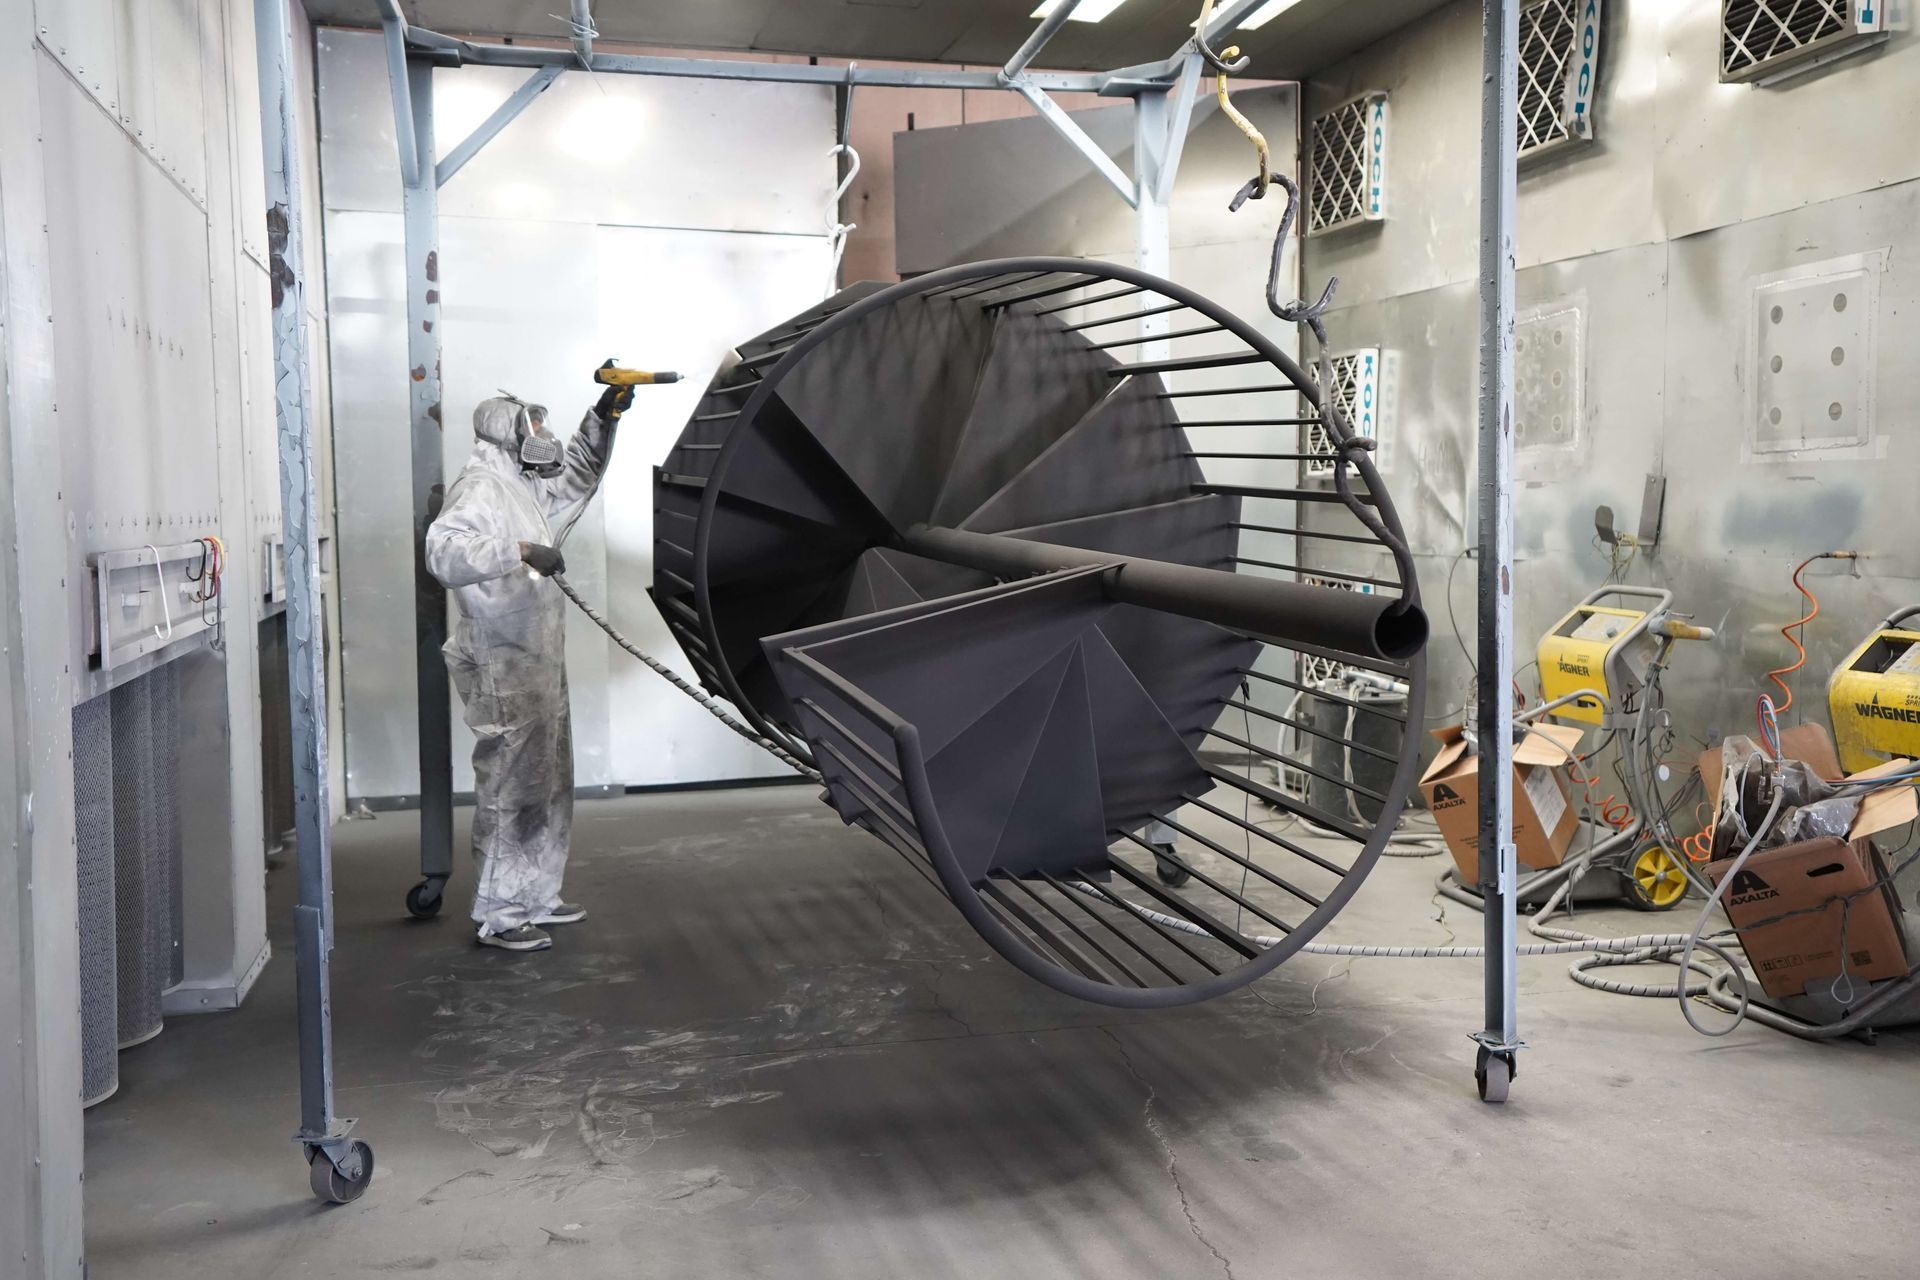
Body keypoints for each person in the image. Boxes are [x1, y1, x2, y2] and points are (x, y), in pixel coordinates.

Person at [425, 363, 637, 951]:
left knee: (547, 780)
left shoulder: (523, 483)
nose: (542, 431)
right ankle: (500, 911)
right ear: (505, 430)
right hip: (502, 658)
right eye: (533, 422)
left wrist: (605, 414)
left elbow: (576, 480)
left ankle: (537, 895)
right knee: (511, 786)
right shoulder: (482, 486)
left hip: (536, 658)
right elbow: (443, 551)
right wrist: (518, 549)